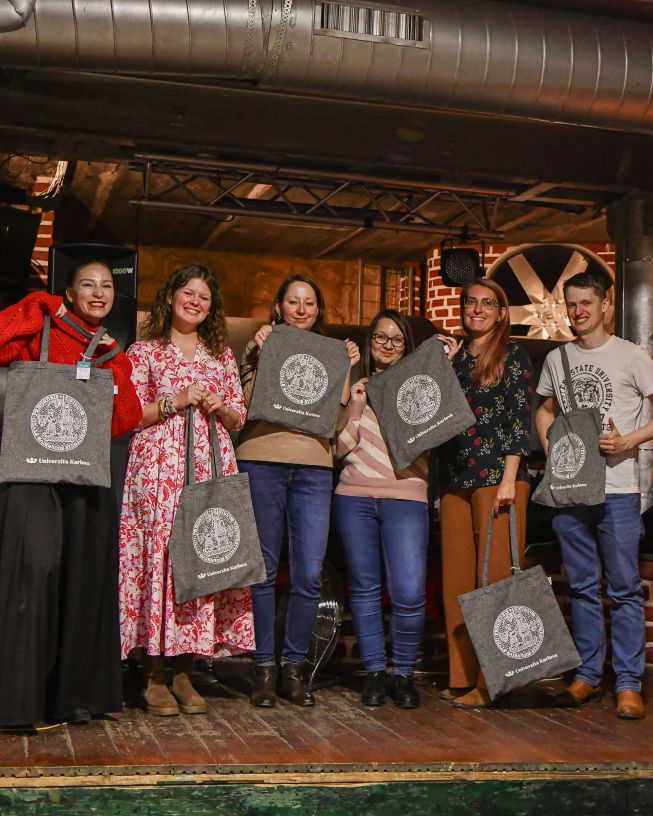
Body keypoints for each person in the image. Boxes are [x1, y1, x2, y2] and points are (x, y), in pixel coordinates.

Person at [0, 259, 143, 728]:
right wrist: (38, 305)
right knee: (33, 570)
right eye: (88, 284)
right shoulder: (39, 325)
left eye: (107, 286)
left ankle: (71, 698)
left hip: (82, 476)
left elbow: (125, 419)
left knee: (81, 581)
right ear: (69, 291)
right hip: (30, 472)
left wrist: (113, 367)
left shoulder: (108, 352)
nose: (98, 293)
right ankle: (18, 701)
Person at [119, 264, 254, 717]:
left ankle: (184, 669)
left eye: (204, 297)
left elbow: (239, 417)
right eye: (188, 293)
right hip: (158, 470)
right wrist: (173, 401)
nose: (195, 302)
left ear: (211, 308)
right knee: (160, 561)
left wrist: (222, 407)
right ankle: (154, 673)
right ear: (170, 296)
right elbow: (130, 415)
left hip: (209, 465)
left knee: (199, 559)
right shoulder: (145, 351)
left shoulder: (221, 355)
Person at [535, 268, 653, 720]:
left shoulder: (631, 355)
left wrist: (629, 441)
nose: (578, 312)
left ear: (606, 305)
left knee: (624, 589)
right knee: (581, 586)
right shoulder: (557, 358)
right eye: (572, 304)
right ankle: (587, 674)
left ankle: (628, 683)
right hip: (571, 489)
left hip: (618, 489)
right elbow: (545, 411)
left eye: (586, 303)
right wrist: (553, 449)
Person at [237, 274, 359, 707]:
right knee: (263, 571)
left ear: (318, 309)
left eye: (309, 302)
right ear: (279, 307)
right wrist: (259, 354)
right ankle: (263, 668)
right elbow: (244, 405)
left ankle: (294, 668)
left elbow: (337, 422)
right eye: (293, 301)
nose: (302, 309)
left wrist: (346, 368)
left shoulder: (332, 353)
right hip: (262, 460)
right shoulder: (259, 343)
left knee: (309, 573)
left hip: (313, 467)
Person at [333, 309, 458, 708]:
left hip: (406, 495)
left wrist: (442, 368)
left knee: (408, 590)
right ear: (370, 342)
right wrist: (355, 406)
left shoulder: (419, 389)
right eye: (380, 338)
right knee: (365, 589)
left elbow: (440, 430)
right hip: (354, 496)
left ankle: (402, 673)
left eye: (397, 339)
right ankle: (374, 672)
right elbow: (339, 449)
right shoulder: (358, 387)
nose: (387, 345)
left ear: (407, 346)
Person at [439, 277, 533, 709]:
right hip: (455, 479)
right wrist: (442, 367)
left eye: (487, 303)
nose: (477, 309)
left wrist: (511, 479)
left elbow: (519, 419)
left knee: (493, 582)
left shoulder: (513, 355)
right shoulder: (455, 358)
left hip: (499, 478)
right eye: (470, 302)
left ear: (501, 313)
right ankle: (463, 677)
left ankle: (491, 681)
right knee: (458, 583)